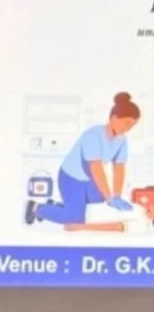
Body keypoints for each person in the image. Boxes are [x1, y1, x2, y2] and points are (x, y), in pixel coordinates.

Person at [24, 92, 142, 232]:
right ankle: (37, 208)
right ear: (114, 118)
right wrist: (109, 197)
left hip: (88, 179)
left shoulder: (122, 140)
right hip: (72, 177)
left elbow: (119, 167)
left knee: (97, 206)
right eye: (127, 123)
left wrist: (116, 196)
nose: (129, 128)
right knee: (75, 220)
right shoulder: (92, 136)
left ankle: (56, 206)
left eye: (133, 125)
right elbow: (95, 168)